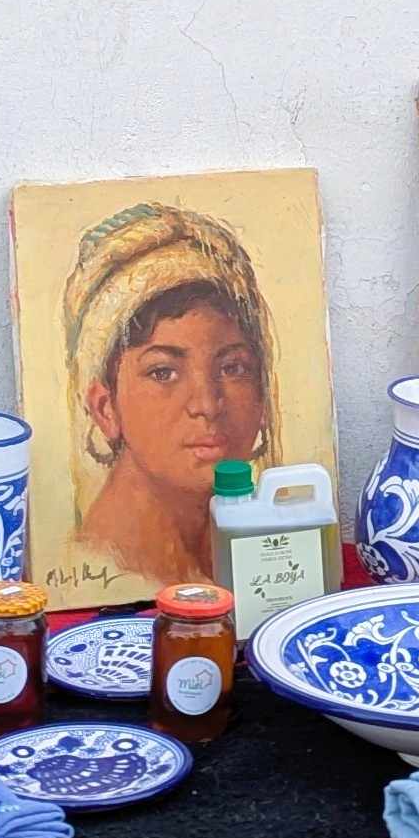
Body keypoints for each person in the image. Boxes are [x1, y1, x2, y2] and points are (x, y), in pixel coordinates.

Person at [62, 201, 275, 586]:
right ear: (105, 407)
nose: (207, 405)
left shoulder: (241, 555)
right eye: (163, 372)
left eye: (233, 368)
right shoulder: (103, 566)